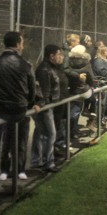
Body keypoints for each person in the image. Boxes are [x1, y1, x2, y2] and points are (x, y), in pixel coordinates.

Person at [0, 31, 37, 199]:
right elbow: (32, 93)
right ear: (19, 44)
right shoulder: (25, 65)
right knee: (19, 141)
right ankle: (17, 171)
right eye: (22, 42)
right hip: (19, 111)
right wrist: (23, 103)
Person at [31, 45, 63, 173]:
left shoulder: (51, 67)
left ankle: (36, 161)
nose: (61, 57)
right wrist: (43, 104)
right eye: (59, 54)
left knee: (40, 133)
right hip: (45, 107)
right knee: (50, 134)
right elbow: (44, 91)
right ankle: (47, 162)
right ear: (51, 56)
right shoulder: (44, 69)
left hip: (47, 105)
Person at [68, 44, 96, 133]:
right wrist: (92, 85)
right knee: (94, 100)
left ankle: (73, 131)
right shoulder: (86, 62)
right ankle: (89, 117)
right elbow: (91, 77)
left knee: (74, 111)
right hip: (83, 89)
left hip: (71, 89)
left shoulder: (68, 61)